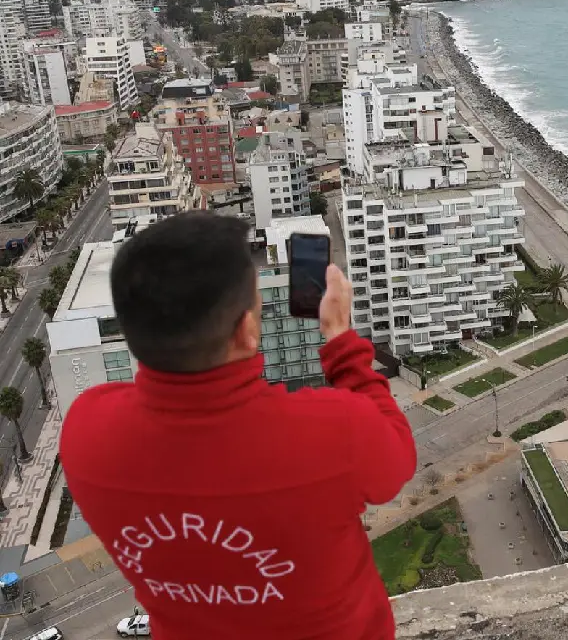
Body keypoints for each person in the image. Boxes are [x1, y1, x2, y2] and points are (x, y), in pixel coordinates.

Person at [60, 212, 416, 640]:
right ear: (248, 331)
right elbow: (396, 457)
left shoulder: (85, 433)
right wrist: (340, 340)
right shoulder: (331, 431)